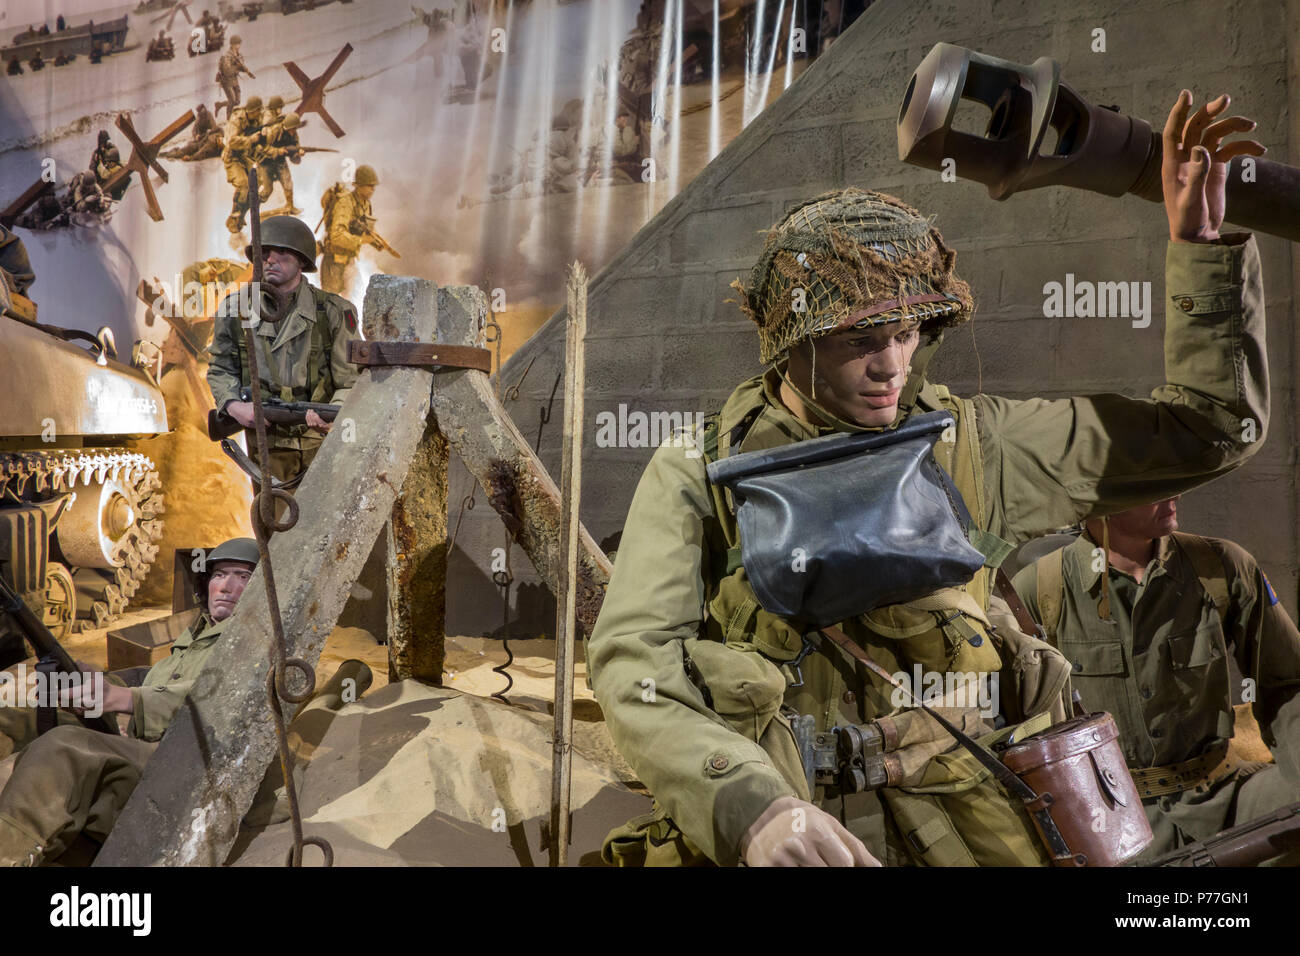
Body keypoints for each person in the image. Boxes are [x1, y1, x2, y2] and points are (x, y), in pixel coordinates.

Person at [589, 89, 1270, 867]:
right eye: (861, 339)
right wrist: (748, 805)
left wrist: (1202, 247)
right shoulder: (699, 472)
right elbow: (635, 666)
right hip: (798, 831)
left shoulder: (971, 447)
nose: (892, 364)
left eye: (909, 331)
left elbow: (1215, 429)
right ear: (791, 341)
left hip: (972, 830)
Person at [1012, 497, 1300, 862]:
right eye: (1153, 488)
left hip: (1223, 794)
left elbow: (1288, 684)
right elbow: (1017, 733)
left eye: (1175, 484)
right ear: (1102, 501)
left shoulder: (1221, 565)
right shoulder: (1038, 592)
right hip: (1113, 816)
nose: (1175, 495)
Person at [0, 538, 259, 866]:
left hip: (185, 764)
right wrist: (101, 682)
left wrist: (123, 698)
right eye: (220, 574)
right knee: (14, 718)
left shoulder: (252, 642)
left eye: (243, 577)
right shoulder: (191, 642)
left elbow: (217, 697)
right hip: (146, 745)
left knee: (66, 745)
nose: (226, 586)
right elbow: (151, 681)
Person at [207, 215, 360, 489]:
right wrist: (233, 406)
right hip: (265, 447)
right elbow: (221, 368)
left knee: (320, 524)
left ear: (302, 260)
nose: (270, 260)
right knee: (273, 526)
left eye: (282, 252)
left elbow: (350, 381)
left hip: (321, 447)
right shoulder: (235, 309)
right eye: (264, 253)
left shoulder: (335, 312)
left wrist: (332, 415)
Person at [318, 165, 381, 296]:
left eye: (374, 186)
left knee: (349, 307)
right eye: (369, 185)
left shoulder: (365, 204)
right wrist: (360, 240)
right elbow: (336, 235)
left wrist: (374, 240)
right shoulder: (345, 203)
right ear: (359, 185)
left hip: (349, 260)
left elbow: (363, 228)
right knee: (330, 306)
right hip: (334, 263)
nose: (373, 189)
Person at [221, 95, 264, 233]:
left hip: (244, 155)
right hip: (232, 157)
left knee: (259, 180)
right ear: (252, 110)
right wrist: (250, 139)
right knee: (243, 184)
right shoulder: (236, 120)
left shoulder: (256, 118)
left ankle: (243, 214)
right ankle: (234, 217)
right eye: (258, 111)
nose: (259, 113)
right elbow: (231, 142)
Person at [256, 112, 304, 213]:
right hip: (265, 162)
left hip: (279, 160)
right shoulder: (273, 131)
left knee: (288, 182)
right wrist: (278, 151)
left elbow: (294, 152)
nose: (294, 131)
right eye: (293, 129)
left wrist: (297, 153)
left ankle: (290, 206)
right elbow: (261, 148)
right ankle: (254, 207)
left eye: (295, 129)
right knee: (267, 190)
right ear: (287, 127)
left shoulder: (294, 135)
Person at [214, 34, 254, 119]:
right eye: (236, 44)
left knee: (237, 101)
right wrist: (237, 68)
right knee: (232, 101)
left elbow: (241, 65)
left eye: (239, 44)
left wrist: (248, 72)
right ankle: (228, 118)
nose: (238, 46)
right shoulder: (227, 56)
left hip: (234, 79)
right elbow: (227, 70)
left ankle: (219, 105)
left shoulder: (238, 55)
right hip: (226, 81)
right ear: (231, 44)